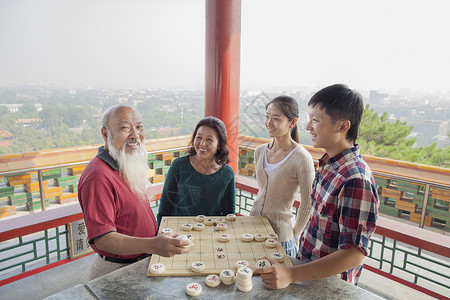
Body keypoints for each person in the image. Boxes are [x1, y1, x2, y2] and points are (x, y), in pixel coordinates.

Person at [255, 84, 379, 288]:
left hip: (327, 286)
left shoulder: (355, 179)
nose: (307, 127)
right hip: (307, 272)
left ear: (342, 126)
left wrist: (291, 275)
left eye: (315, 120)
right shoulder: (328, 166)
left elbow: (354, 254)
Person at [78, 104, 190, 280]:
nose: (135, 135)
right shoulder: (98, 176)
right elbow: (103, 238)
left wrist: (157, 239)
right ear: (105, 134)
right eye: (125, 128)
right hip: (116, 270)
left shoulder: (125, 164)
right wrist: (153, 244)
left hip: (141, 261)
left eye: (139, 127)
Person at [249, 96, 315, 257]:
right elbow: (264, 191)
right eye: (267, 116)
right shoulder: (260, 151)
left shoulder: (302, 158)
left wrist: (294, 233)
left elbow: (308, 204)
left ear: (292, 123)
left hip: (281, 237)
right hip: (252, 229)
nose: (269, 122)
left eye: (276, 118)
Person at [156, 116, 236, 226]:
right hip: (178, 233)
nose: (202, 143)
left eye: (209, 139)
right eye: (199, 137)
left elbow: (229, 212)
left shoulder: (227, 174)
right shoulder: (179, 166)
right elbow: (165, 204)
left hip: (210, 234)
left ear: (219, 144)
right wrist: (160, 232)